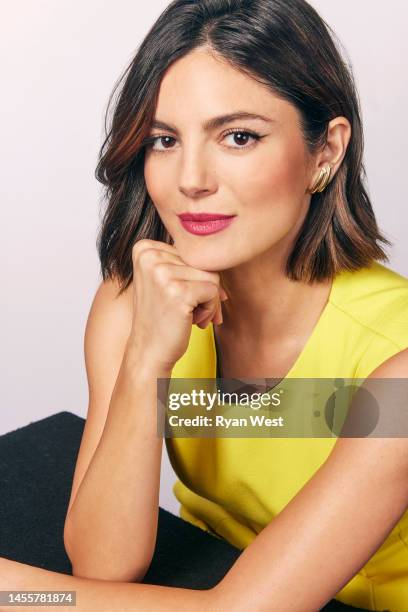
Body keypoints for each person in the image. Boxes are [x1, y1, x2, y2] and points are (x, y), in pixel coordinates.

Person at [1, 0, 407, 610]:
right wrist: (145, 362)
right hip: (209, 573)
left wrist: (21, 594)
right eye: (164, 139)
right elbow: (104, 566)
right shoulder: (136, 299)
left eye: (238, 136)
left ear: (324, 153)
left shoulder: (398, 366)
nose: (191, 177)